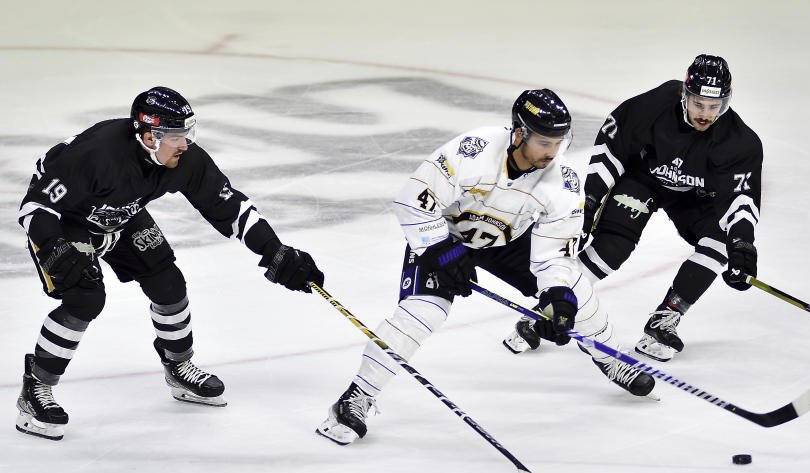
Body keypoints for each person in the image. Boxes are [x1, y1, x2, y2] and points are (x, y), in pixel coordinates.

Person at [317, 89, 656, 445]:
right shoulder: (472, 151)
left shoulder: (563, 181)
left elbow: (555, 255)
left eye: (558, 142)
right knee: (422, 313)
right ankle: (354, 399)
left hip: (507, 242)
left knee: (577, 294)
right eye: (543, 142)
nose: (552, 152)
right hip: (444, 240)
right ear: (519, 132)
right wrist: (444, 254)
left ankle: (610, 357)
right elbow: (412, 201)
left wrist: (557, 296)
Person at [15, 86, 325, 440]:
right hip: (64, 221)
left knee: (169, 284)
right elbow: (35, 208)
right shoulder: (96, 155)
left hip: (120, 213)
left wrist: (274, 250)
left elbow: (230, 207)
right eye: (178, 136)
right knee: (85, 298)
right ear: (149, 137)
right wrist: (54, 246)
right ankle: (35, 388)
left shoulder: (183, 159)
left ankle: (178, 367)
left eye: (188, 134)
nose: (186, 144)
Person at [504, 54, 763, 362]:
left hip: (694, 195)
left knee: (720, 241)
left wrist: (742, 244)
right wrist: (589, 200)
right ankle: (548, 308)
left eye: (714, 106)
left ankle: (665, 319)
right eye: (698, 104)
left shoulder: (740, 142)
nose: (705, 114)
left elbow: (741, 199)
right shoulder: (654, 106)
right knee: (612, 247)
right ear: (685, 94)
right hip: (643, 181)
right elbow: (613, 147)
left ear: (726, 101)